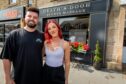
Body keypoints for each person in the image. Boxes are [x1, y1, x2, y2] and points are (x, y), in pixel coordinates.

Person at [0, 7, 44, 84]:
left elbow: (42, 54)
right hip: (18, 79)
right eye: (29, 16)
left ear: (38, 20)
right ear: (24, 18)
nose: (32, 19)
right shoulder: (14, 34)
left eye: (35, 17)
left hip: (38, 79)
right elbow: (6, 58)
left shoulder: (42, 36)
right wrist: (8, 78)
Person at [43, 19, 70, 84]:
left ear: (58, 28)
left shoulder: (65, 44)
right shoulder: (45, 42)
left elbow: (67, 63)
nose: (52, 30)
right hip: (46, 70)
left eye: (54, 27)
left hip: (59, 72)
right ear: (48, 31)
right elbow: (41, 57)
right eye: (49, 29)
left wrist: (66, 79)